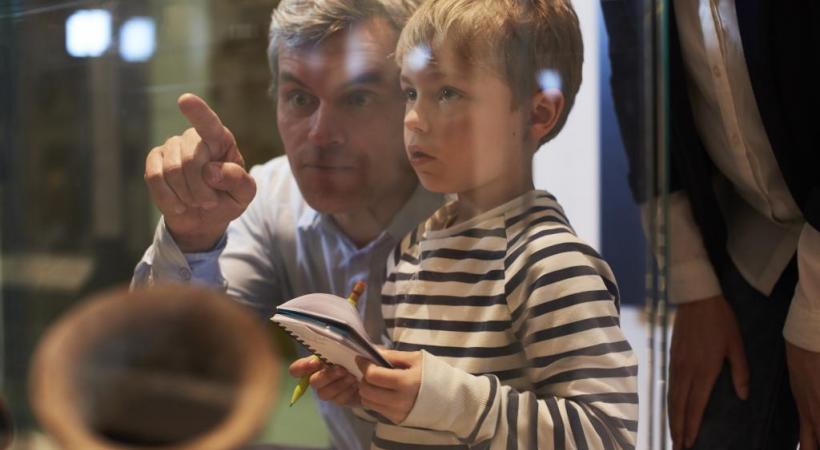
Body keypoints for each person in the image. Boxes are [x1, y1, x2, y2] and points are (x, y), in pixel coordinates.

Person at [304, 0, 640, 447]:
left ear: (538, 114)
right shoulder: (413, 250)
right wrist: (367, 387)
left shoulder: (550, 262)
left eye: (447, 93)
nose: (413, 120)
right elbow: (426, 411)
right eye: (410, 92)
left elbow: (607, 435)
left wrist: (448, 400)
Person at [131, 1, 442, 449]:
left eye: (357, 98)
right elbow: (169, 372)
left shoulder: (474, 207)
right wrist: (193, 237)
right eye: (299, 97)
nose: (321, 133)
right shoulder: (268, 197)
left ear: (413, 103)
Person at [603, 1, 820, 448]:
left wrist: (815, 318)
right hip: (754, 228)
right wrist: (694, 286)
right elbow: (635, 87)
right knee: (709, 427)